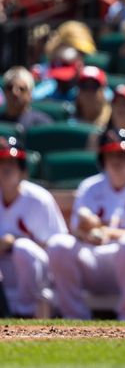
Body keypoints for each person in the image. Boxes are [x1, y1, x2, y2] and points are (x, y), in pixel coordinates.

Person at [47, 128, 125, 320]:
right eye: (110, 154)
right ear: (102, 158)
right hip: (97, 261)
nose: (116, 160)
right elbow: (77, 231)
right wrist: (87, 230)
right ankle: (74, 317)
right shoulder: (90, 186)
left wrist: (108, 231)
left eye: (122, 154)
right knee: (58, 244)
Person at [0, 136, 67, 318]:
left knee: (23, 249)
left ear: (23, 171)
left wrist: (15, 241)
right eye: (1, 162)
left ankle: (26, 313)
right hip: (3, 273)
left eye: (12, 163)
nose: (5, 168)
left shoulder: (39, 198)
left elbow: (57, 247)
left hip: (36, 276)